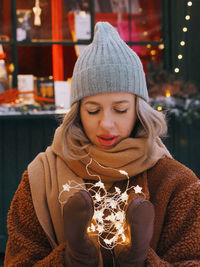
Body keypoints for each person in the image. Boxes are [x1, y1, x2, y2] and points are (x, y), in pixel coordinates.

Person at [4, 22, 200, 267]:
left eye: (120, 109)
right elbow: (18, 261)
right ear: (77, 112)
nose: (106, 124)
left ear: (139, 110)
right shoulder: (39, 179)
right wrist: (67, 260)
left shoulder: (177, 183)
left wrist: (143, 261)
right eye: (93, 110)